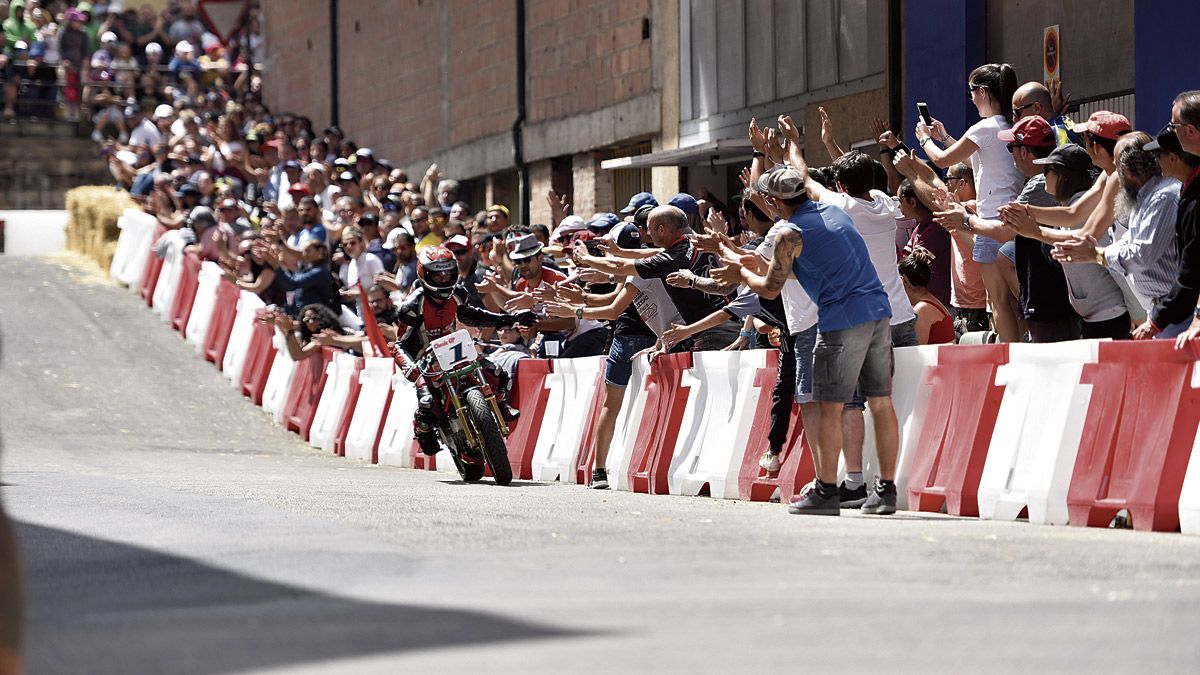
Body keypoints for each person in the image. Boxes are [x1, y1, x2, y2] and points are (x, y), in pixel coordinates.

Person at [713, 116, 899, 517]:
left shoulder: (787, 235)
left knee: (829, 407)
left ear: (776, 203)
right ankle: (885, 490)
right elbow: (801, 181)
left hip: (839, 320)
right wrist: (794, 146)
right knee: (880, 403)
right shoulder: (836, 211)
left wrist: (737, 271)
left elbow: (769, 287)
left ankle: (828, 491)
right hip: (878, 312)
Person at [390, 247, 537, 457]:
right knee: (427, 402)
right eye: (437, 273)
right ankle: (422, 428)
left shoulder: (458, 293)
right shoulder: (412, 306)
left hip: (453, 348)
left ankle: (501, 405)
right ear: (425, 274)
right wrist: (413, 371)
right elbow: (399, 344)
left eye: (448, 273)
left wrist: (511, 318)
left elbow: (473, 316)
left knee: (497, 372)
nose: (443, 278)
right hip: (424, 358)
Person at [915, 63, 1026, 342]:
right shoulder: (1008, 126)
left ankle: (1011, 359)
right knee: (1018, 301)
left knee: (998, 302)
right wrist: (945, 138)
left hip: (990, 221)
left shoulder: (985, 128)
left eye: (972, 92)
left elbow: (941, 161)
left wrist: (926, 140)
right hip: (1016, 218)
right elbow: (976, 160)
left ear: (984, 92)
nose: (972, 98)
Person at [572, 206, 739, 350]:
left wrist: (587, 259)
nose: (648, 234)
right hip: (726, 324)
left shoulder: (669, 260)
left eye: (649, 228)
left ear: (661, 229)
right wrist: (619, 251)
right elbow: (653, 253)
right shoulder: (691, 240)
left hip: (713, 333)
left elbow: (620, 267)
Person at [899, 247, 955, 344]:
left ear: (905, 281)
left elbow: (917, 351)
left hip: (937, 359)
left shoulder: (921, 309)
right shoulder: (931, 302)